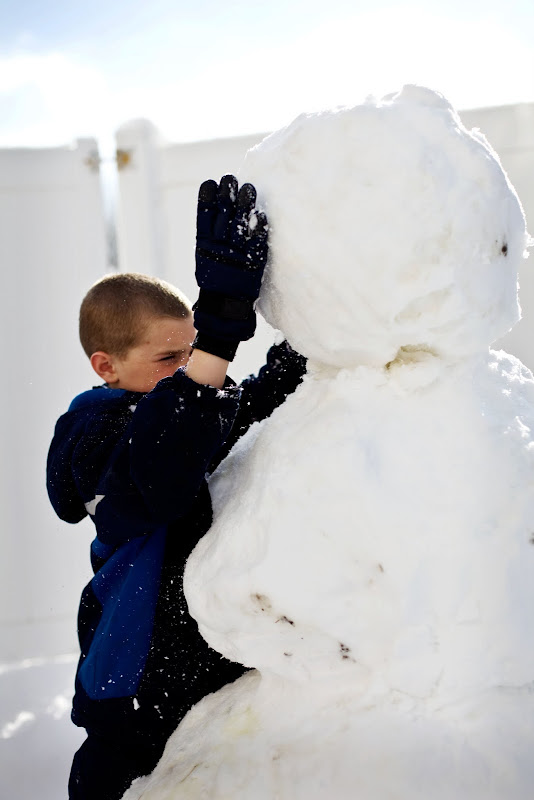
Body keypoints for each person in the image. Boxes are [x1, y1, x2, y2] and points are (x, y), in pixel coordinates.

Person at [47, 175, 307, 800]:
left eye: (190, 352)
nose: (189, 368)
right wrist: (218, 333)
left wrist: (309, 347)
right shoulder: (91, 436)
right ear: (106, 366)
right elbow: (159, 478)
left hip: (211, 677)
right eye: (170, 359)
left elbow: (240, 411)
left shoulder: (184, 408)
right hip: (135, 693)